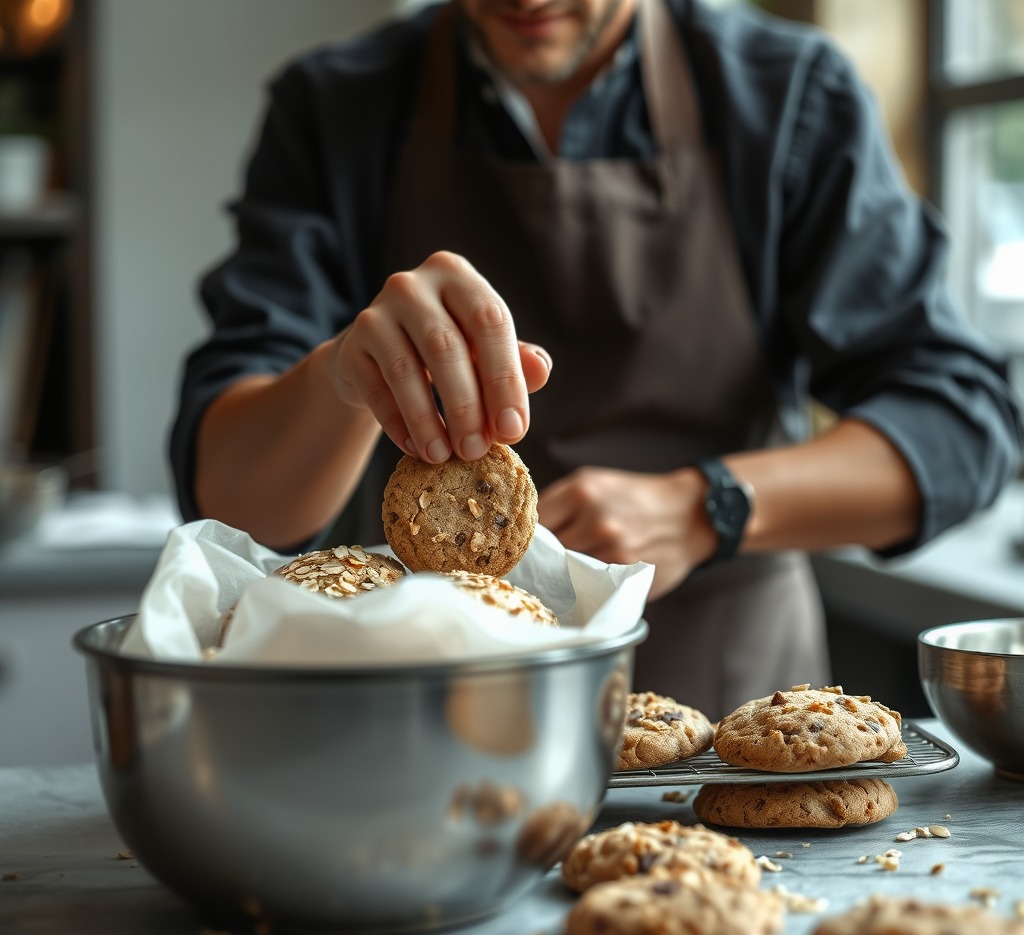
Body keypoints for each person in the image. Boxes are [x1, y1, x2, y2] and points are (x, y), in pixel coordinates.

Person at [170, 0, 1022, 717]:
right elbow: (233, 504)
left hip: (722, 714)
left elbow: (961, 425)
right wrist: (337, 379)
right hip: (419, 721)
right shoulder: (337, 106)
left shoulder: (786, 94)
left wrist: (709, 508)